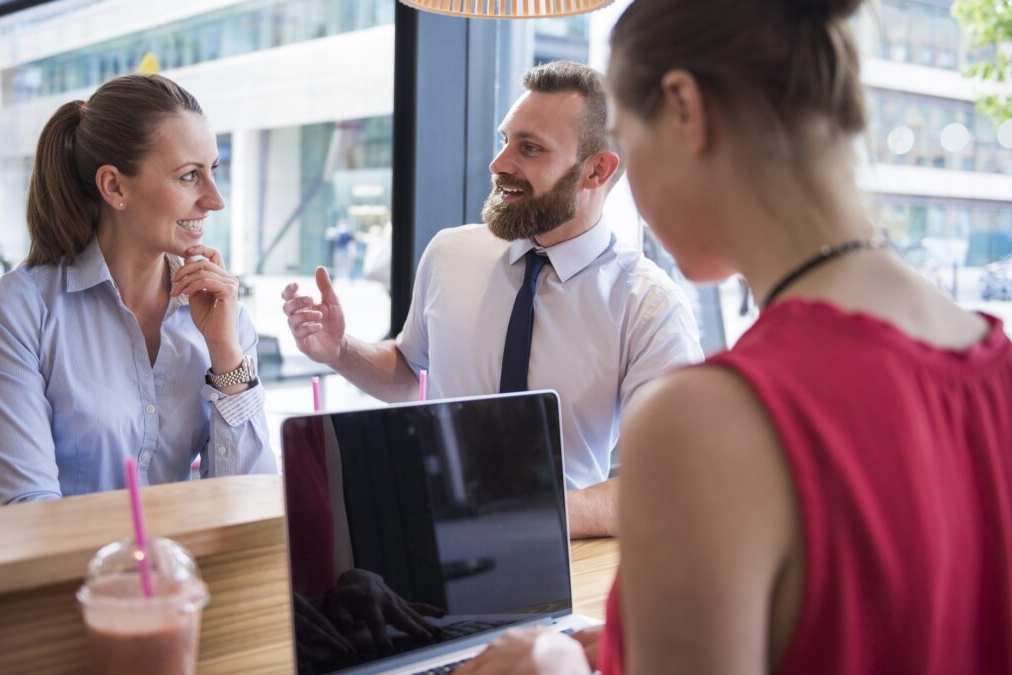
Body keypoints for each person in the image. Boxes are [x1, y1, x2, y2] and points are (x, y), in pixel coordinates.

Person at [459, 0, 1012, 673]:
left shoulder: (707, 420)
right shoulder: (995, 371)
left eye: (629, 141)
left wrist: (552, 666)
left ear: (685, 108)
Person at [282, 60, 703, 538]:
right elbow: (406, 371)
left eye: (529, 148)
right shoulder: (449, 253)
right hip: (429, 537)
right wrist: (340, 350)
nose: (500, 163)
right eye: (505, 140)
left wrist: (517, 517)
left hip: (566, 553)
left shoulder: (648, 306)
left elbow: (664, 486)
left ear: (596, 171)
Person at [0, 74, 277, 506]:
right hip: (70, 571)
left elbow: (251, 499)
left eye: (213, 172)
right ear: (114, 187)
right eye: (190, 176)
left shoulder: (221, 316)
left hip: (180, 568)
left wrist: (226, 351)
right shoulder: (16, 314)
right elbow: (28, 511)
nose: (215, 199)